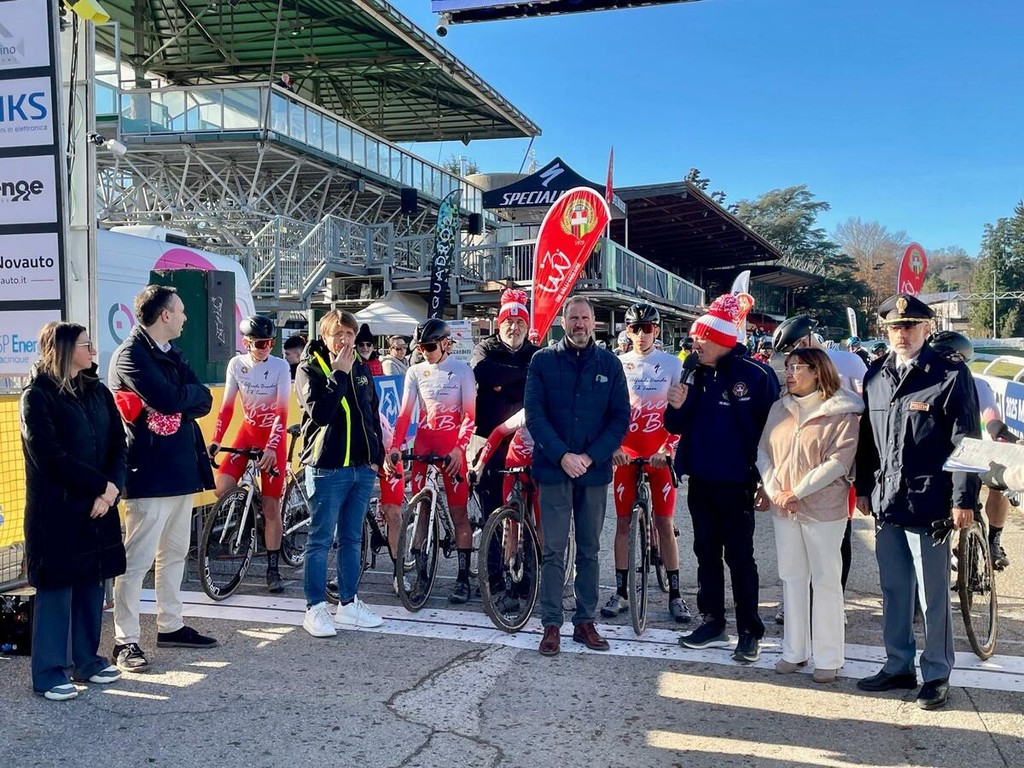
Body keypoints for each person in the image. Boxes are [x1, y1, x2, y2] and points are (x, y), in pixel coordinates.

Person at [854, 293, 980, 711]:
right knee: (894, 589)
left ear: (926, 328)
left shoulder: (949, 374)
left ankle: (937, 673)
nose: (902, 334)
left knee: (932, 595)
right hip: (888, 501)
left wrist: (964, 499)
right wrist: (864, 488)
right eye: (895, 327)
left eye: (909, 326)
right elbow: (868, 441)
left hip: (932, 503)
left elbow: (966, 442)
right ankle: (898, 664)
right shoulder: (877, 375)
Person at [108, 285, 218, 673]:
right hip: (149, 472)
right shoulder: (130, 355)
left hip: (179, 469)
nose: (186, 317)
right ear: (165, 315)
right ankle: (125, 640)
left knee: (174, 553)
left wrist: (178, 398)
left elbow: (202, 399)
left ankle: (170, 624)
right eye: (181, 310)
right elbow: (170, 398)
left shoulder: (171, 352)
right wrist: (180, 398)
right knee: (137, 559)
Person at [665, 294, 779, 663]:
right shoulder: (693, 371)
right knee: (706, 553)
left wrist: (766, 481)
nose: (694, 343)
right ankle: (712, 622)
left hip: (738, 482)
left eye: (701, 337)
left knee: (741, 557)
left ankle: (749, 631)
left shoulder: (756, 375)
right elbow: (675, 426)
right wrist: (676, 405)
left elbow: (773, 434)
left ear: (720, 339)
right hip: (701, 479)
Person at [20, 322, 126, 700]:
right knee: (56, 589)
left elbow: (118, 444)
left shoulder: (97, 391)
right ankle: (50, 673)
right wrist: (101, 486)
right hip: (57, 511)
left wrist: (109, 491)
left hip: (98, 506)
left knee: (90, 584)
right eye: (86, 344)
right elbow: (50, 457)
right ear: (64, 350)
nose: (93, 351)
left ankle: (87, 660)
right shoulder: (37, 397)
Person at [525, 296, 630, 656]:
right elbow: (535, 414)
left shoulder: (610, 364)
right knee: (554, 549)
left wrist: (588, 456)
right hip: (553, 468)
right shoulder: (542, 361)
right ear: (563, 322)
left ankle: (585, 621)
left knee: (589, 549)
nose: (579, 324)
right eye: (573, 318)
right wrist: (562, 455)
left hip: (593, 470)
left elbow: (620, 417)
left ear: (594, 322)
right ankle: (551, 624)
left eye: (585, 318)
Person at [756, 347, 862, 683]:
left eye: (798, 367)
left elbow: (838, 463)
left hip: (823, 508)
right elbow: (764, 452)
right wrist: (775, 489)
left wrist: (796, 492)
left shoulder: (843, 412)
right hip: (783, 506)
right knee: (791, 577)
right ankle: (794, 650)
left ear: (818, 371)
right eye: (788, 367)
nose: (790, 373)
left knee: (826, 580)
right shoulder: (780, 407)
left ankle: (829, 657)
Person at [294, 310, 385, 637]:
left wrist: (377, 457)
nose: (345, 340)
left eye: (349, 334)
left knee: (352, 537)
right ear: (325, 336)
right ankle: (315, 607)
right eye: (338, 334)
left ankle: (348, 603)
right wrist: (338, 375)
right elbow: (321, 414)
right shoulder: (309, 368)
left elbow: (372, 413)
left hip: (362, 468)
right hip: (327, 468)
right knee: (320, 539)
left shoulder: (361, 367)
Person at [603, 302, 692, 624]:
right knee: (623, 523)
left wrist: (668, 449)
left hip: (659, 454)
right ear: (627, 331)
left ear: (657, 330)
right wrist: (614, 447)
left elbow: (681, 414)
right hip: (626, 454)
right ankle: (621, 592)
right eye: (635, 328)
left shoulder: (671, 364)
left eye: (648, 328)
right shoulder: (617, 364)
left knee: (664, 523)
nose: (642, 334)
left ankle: (676, 595)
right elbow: (608, 413)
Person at [385, 318, 477, 603]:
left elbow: (469, 416)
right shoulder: (415, 371)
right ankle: (421, 575)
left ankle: (462, 578)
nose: (424, 352)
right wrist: (396, 445)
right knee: (421, 511)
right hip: (425, 446)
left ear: (446, 344)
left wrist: (460, 449)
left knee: (458, 514)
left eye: (430, 347)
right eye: (421, 348)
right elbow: (404, 413)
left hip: (452, 449)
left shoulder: (462, 371)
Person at [208, 316, 291, 593]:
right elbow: (227, 407)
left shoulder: (280, 367)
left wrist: (272, 447)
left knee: (271, 506)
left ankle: (273, 569)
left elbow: (282, 412)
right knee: (221, 487)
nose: (266, 348)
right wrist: (216, 440)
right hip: (248, 432)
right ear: (246, 343)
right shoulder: (236, 364)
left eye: (270, 343)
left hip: (273, 439)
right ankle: (248, 502)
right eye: (260, 343)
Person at [930, 330, 1011, 570]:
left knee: (998, 486)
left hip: (975, 452)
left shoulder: (977, 384)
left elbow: (991, 417)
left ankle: (994, 540)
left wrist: (999, 433)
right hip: (940, 454)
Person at [470, 288, 539, 521]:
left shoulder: (537, 353)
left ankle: (526, 545)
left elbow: (540, 385)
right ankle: (491, 546)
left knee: (527, 510)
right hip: (488, 438)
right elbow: (483, 372)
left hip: (526, 440)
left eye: (520, 322)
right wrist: (524, 375)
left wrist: (503, 383)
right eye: (509, 321)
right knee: (491, 509)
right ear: (499, 324)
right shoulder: (485, 348)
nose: (514, 327)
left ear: (527, 327)